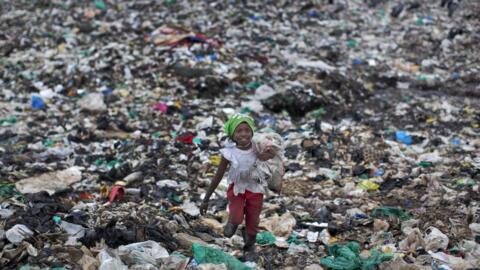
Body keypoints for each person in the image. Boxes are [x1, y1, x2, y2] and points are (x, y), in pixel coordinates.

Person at [200, 114, 274, 257]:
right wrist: (206, 199)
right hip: (237, 189)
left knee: (253, 219)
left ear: (252, 132)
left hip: (255, 188)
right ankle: (233, 222)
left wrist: (270, 153)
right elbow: (218, 176)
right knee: (236, 217)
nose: (244, 134)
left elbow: (273, 156)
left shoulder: (257, 148)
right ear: (232, 135)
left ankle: (249, 246)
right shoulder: (229, 153)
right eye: (239, 131)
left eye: (247, 130)